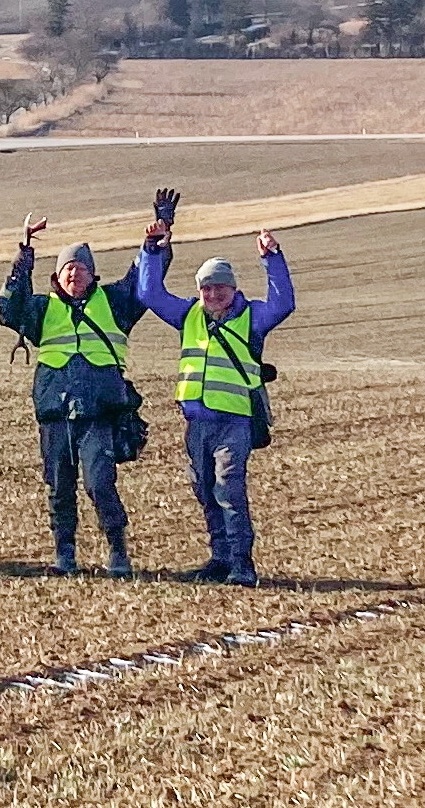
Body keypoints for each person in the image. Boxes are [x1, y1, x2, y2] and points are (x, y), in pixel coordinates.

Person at [0, 190, 178, 577]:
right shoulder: (41, 308)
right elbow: (8, 307)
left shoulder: (115, 302)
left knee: (100, 484)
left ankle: (118, 551)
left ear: (92, 273)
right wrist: (23, 253)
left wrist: (158, 240)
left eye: (81, 267)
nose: (74, 273)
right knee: (59, 487)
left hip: (100, 412)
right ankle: (65, 555)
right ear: (57, 275)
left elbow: (144, 281)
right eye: (68, 268)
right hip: (55, 412)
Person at [139, 220, 295, 588]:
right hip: (196, 420)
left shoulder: (253, 317)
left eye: (219, 287)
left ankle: (242, 565)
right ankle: (220, 559)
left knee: (228, 489)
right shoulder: (189, 314)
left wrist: (272, 258)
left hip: (234, 421)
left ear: (233, 288)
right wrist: (151, 250)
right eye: (206, 288)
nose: (212, 294)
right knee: (205, 489)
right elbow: (148, 293)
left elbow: (284, 303)